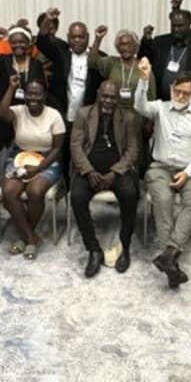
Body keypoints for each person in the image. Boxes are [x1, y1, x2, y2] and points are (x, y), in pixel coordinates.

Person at [134, 60, 191, 288]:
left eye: (186, 93)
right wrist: (144, 79)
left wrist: (187, 173)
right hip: (160, 167)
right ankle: (171, 256)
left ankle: (169, 253)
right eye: (177, 91)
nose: (180, 96)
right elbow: (139, 106)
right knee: (163, 199)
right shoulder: (160, 107)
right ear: (171, 89)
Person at [70, 80, 141, 277]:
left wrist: (115, 172)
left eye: (112, 97)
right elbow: (75, 146)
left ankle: (124, 247)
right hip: (89, 170)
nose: (108, 101)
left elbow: (132, 150)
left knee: (130, 194)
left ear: (118, 98)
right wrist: (89, 171)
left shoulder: (127, 117)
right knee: (76, 197)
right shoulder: (84, 114)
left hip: (116, 171)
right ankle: (93, 249)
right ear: (98, 94)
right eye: (105, 96)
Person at [0, 75, 66, 260]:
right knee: (9, 192)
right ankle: (31, 237)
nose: (33, 98)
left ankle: (25, 237)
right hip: (19, 155)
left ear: (44, 95)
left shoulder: (54, 115)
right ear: (24, 95)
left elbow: (58, 149)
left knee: (35, 191)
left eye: (37, 94)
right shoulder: (18, 111)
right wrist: (11, 88)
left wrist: (38, 168)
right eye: (29, 94)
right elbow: (2, 113)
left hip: (47, 158)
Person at [35, 8, 102, 123]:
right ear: (68, 37)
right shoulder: (60, 53)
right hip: (61, 115)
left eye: (81, 37)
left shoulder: (98, 57)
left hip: (87, 118)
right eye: (73, 37)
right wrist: (48, 19)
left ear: (88, 37)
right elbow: (42, 42)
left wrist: (98, 40)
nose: (77, 40)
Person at [89, 26, 155, 108]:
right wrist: (98, 39)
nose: (125, 48)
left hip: (137, 114)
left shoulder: (143, 67)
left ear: (135, 46)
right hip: (114, 112)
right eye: (122, 44)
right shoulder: (111, 62)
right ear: (118, 47)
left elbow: (152, 97)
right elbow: (91, 62)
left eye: (129, 44)